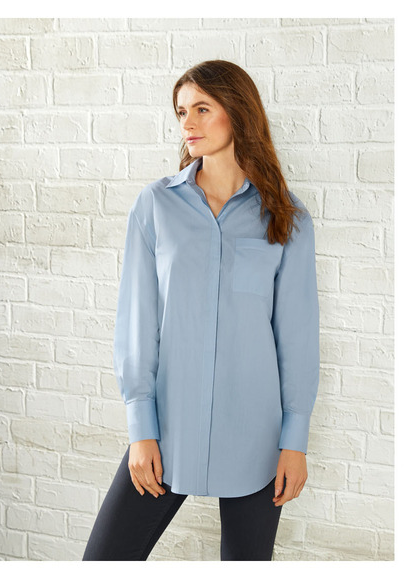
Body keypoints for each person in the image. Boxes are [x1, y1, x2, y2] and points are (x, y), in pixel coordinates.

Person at [82, 60, 320, 561]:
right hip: (168, 430)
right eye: (181, 111)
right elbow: (137, 324)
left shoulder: (286, 217)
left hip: (256, 438)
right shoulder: (155, 206)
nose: (187, 123)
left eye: (202, 109)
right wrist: (141, 429)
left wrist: (294, 440)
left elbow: (297, 338)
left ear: (238, 112)